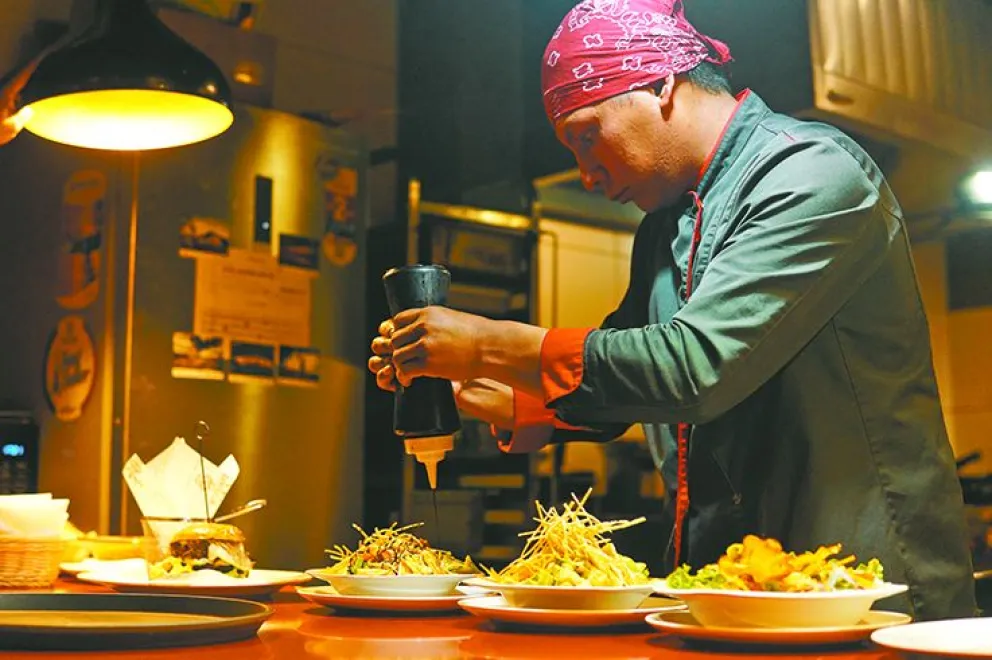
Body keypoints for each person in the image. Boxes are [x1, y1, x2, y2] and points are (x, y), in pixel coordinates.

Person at [369, 0, 977, 620]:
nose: (585, 174)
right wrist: (508, 392)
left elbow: (693, 367)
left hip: (871, 589)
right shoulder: (664, 225)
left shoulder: (811, 172)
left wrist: (487, 344)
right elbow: (631, 357)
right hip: (731, 587)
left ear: (660, 85)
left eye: (586, 135)